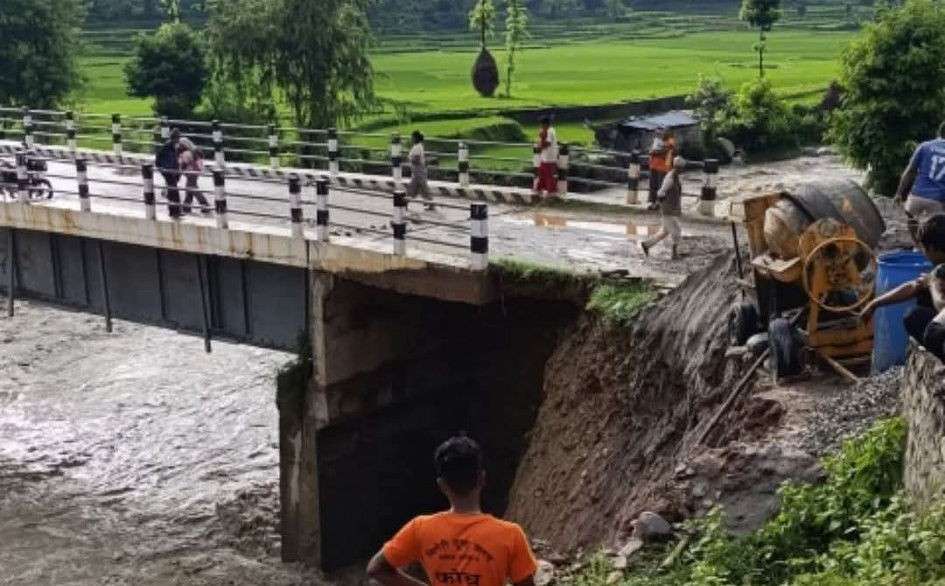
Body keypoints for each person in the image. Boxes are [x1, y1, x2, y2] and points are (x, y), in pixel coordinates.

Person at [366, 435, 538, 586]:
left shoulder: (420, 528)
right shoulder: (510, 535)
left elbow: (376, 569)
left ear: (442, 485)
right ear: (482, 479)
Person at [860, 214, 945, 360]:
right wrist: (875, 303)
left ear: (932, 248)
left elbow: (942, 305)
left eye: (924, 249)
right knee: (919, 305)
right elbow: (913, 287)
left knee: (921, 322)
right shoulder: (940, 269)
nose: (924, 254)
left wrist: (933, 285)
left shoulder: (938, 273)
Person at [896, 121, 945, 240]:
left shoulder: (925, 146)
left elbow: (910, 172)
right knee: (936, 231)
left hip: (916, 197)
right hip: (937, 200)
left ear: (939, 133)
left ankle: (917, 246)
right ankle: (931, 250)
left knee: (911, 218)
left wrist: (899, 193)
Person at [640, 156, 686, 260]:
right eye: (682, 168)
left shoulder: (674, 176)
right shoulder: (670, 178)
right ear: (678, 167)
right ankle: (674, 254)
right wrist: (660, 204)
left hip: (670, 209)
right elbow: (661, 192)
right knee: (677, 231)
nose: (683, 170)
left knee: (664, 231)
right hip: (668, 210)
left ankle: (646, 245)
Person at [178, 137, 209, 215]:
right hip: (196, 171)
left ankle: (205, 206)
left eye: (181, 145)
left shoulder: (186, 153)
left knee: (192, 188)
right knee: (189, 189)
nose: (179, 146)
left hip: (191, 172)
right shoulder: (196, 150)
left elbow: (183, 164)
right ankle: (186, 208)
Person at [647, 129, 676, 211]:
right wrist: (652, 152)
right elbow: (651, 151)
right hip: (653, 165)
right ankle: (653, 203)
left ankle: (660, 203)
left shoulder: (670, 140)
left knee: (661, 186)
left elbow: (668, 150)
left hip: (664, 166)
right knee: (653, 185)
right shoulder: (656, 140)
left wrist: (655, 152)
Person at [156, 129, 182, 218]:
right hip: (168, 172)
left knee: (173, 191)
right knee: (173, 192)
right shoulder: (168, 147)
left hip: (170, 171)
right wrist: (168, 170)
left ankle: (175, 211)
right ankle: (174, 211)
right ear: (175, 138)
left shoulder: (171, 146)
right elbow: (165, 161)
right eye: (178, 138)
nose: (179, 140)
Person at [406, 130, 434, 211]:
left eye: (412, 137)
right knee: (422, 188)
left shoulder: (417, 147)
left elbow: (417, 160)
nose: (411, 138)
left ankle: (404, 203)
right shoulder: (418, 146)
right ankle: (430, 203)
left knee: (413, 188)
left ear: (415, 138)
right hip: (418, 171)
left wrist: (410, 158)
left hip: (418, 171)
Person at [534, 116, 558, 198]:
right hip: (546, 156)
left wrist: (539, 147)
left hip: (549, 156)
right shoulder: (548, 130)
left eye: (541, 124)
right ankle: (542, 188)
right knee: (543, 173)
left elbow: (547, 143)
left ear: (545, 124)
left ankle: (551, 191)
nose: (541, 126)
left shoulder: (549, 131)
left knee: (548, 174)